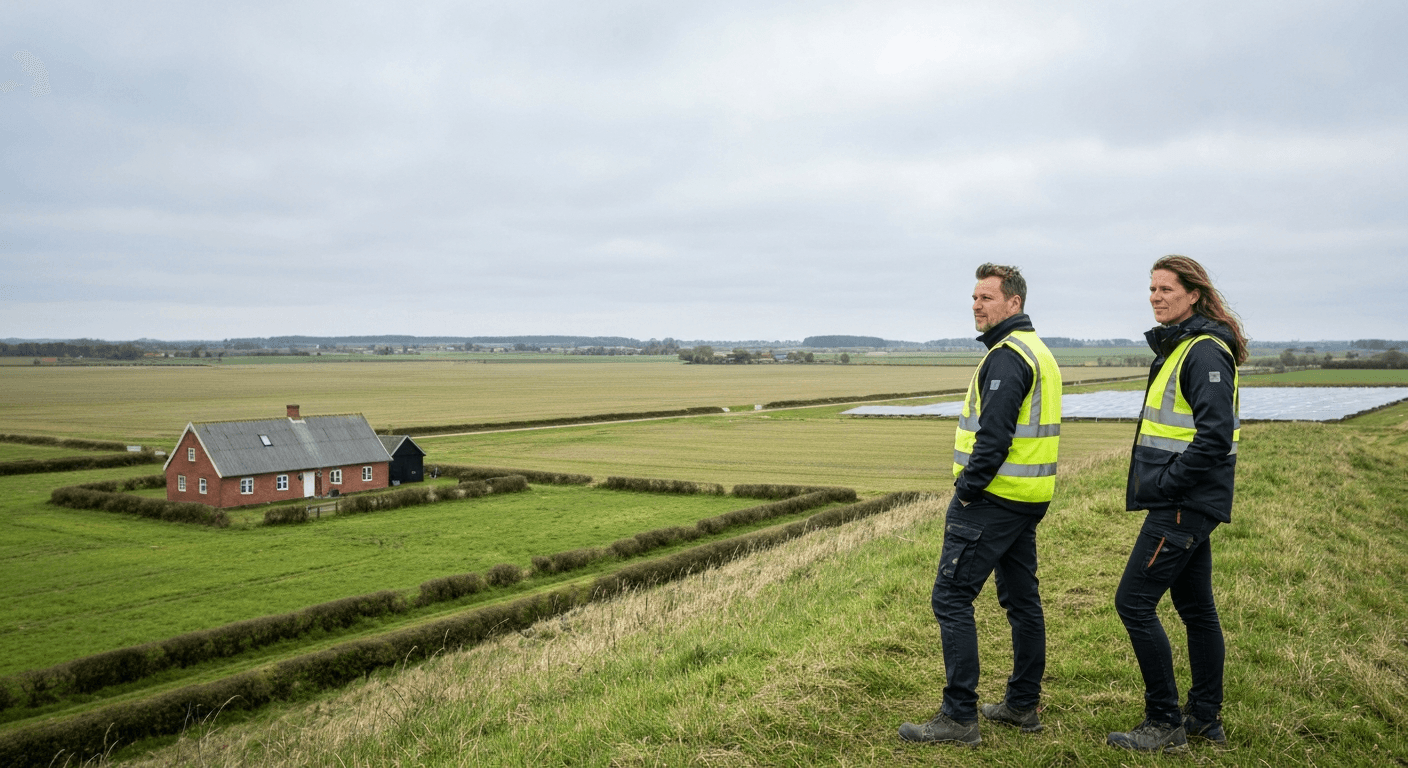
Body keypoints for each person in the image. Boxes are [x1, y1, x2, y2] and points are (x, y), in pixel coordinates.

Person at [899, 263, 1062, 747]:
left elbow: (992, 439)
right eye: (974, 297)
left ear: (1014, 303)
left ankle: (958, 717)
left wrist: (967, 489)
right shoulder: (1038, 351)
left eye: (987, 298)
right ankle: (1021, 705)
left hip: (992, 500)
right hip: (1027, 498)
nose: (977, 305)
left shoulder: (1009, 356)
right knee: (1022, 601)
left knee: (951, 598)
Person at [1106, 255, 1245, 753]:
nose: (1156, 297)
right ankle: (1205, 718)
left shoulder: (1204, 352)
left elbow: (1213, 437)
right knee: (1196, 608)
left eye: (1166, 289)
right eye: (1151, 289)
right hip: (1188, 500)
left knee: (1133, 603)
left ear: (1194, 294)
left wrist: (1167, 483)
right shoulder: (1185, 346)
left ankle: (1165, 722)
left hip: (1183, 502)